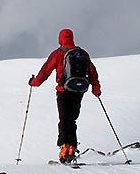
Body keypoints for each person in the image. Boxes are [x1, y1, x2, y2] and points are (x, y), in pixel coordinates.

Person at [29, 29, 101, 163]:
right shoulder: (82, 53)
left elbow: (45, 71)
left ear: (60, 38)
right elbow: (92, 72)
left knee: (64, 119)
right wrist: (96, 89)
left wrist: (34, 82)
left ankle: (64, 148)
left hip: (63, 90)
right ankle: (72, 148)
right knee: (72, 120)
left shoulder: (58, 54)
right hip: (79, 90)